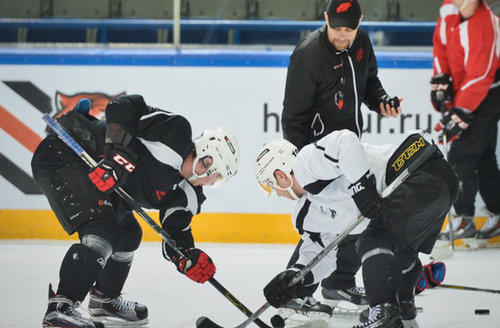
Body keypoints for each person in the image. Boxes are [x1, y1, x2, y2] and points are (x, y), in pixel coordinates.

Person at [32, 95, 240, 328]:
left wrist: (187, 257)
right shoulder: (175, 132)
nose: (213, 183)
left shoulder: (188, 193)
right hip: (64, 154)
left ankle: (104, 300)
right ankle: (61, 307)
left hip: (98, 184)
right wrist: (117, 156)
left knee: (129, 234)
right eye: (218, 176)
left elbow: (175, 232)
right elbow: (122, 106)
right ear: (208, 160)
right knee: (103, 230)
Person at [255, 130, 458, 327]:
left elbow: (345, 140)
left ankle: (384, 314)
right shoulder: (308, 210)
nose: (277, 193)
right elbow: (319, 253)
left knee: (373, 241)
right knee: (400, 256)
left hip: (419, 170)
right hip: (439, 186)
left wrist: (361, 187)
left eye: (271, 185)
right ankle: (404, 316)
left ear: (281, 175)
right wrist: (295, 276)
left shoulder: (306, 163)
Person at [279, 0, 403, 311]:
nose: (342, 35)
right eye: (336, 28)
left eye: (348, 29)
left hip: (350, 151)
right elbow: (292, 116)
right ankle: (295, 289)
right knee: (321, 224)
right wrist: (300, 167)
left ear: (359, 23)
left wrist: (381, 102)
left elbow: (369, 82)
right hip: (320, 156)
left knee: (356, 216)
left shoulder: (360, 42)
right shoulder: (308, 55)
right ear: (325, 19)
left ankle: (339, 283)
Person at [430, 0, 500, 247]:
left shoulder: (485, 24)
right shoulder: (449, 9)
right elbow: (440, 46)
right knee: (483, 158)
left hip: (488, 94)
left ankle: (464, 220)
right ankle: (498, 213)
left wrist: (461, 111)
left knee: (461, 155)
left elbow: (481, 75)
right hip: (468, 91)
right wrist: (441, 79)